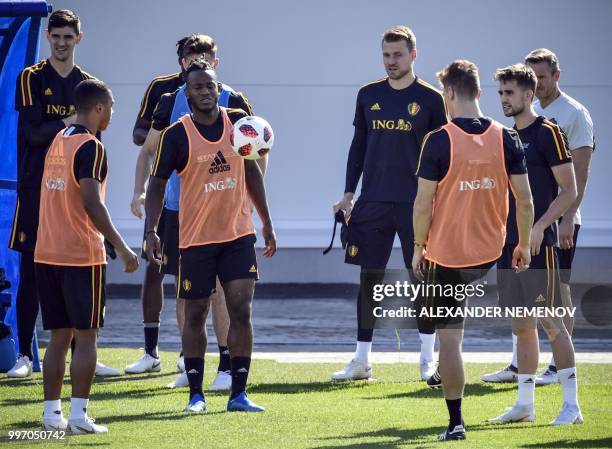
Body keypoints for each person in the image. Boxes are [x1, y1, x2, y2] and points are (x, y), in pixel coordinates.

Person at [126, 35, 259, 393]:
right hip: (178, 211)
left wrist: (248, 200)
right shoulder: (170, 100)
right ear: (183, 64)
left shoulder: (234, 101)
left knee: (222, 292)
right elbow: (149, 152)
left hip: (227, 214)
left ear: (217, 61)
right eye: (192, 56)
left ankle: (227, 365)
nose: (199, 61)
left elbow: (255, 155)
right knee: (187, 294)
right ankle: (189, 365)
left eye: (207, 57)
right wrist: (139, 192)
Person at [144, 59, 276, 413]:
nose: (205, 92)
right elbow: (156, 185)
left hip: (237, 235)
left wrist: (266, 221)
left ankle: (238, 393)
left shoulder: (238, 124)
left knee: (240, 310)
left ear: (219, 89)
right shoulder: (176, 134)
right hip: (195, 240)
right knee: (196, 314)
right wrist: (151, 230)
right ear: (187, 94)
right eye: (198, 87)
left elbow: (252, 174)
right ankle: (196, 395)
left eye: (210, 86)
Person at [412, 60, 533, 440]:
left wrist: (418, 247)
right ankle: (531, 395)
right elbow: (525, 201)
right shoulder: (507, 137)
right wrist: (524, 245)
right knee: (528, 321)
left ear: (449, 94)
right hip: (491, 251)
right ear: (479, 92)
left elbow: (421, 204)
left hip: (447, 255)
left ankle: (456, 423)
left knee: (450, 340)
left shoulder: (438, 139)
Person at [332, 25, 447, 382]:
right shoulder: (368, 94)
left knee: (422, 280)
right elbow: (358, 146)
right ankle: (362, 360)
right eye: (386, 54)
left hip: (417, 203)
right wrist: (348, 193)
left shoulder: (431, 98)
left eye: (397, 54)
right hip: (374, 201)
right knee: (370, 280)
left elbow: (444, 152)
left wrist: (442, 200)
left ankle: (427, 359)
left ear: (414, 54)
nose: (391, 61)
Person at [7, 9, 119, 378]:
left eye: (68, 37)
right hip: (37, 187)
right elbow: (32, 135)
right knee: (32, 270)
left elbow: (93, 144)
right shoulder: (32, 78)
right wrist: (70, 120)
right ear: (48, 38)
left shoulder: (89, 84)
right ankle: (25, 354)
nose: (61, 42)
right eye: (55, 36)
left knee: (78, 271)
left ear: (78, 39)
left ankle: (83, 354)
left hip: (73, 195)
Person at [483, 49, 595, 385]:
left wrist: (543, 225)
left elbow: (569, 190)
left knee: (551, 323)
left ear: (528, 94)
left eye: (509, 93)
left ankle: (571, 406)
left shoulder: (549, 132)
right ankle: (524, 404)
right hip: (510, 243)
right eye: (501, 92)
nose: (503, 99)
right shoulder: (505, 136)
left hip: (540, 244)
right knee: (520, 323)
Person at [35, 79, 139, 433]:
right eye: (110, 108)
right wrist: (122, 247)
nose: (111, 115)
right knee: (87, 336)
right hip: (80, 254)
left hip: (46, 252)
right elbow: (92, 202)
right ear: (98, 108)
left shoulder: (58, 141)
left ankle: (51, 415)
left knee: (58, 337)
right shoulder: (91, 146)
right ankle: (78, 417)